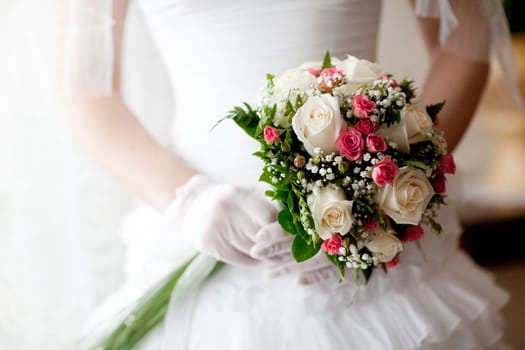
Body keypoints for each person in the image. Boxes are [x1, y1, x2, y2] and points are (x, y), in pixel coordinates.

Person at [61, 0, 514, 348]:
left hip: (375, 248)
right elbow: (86, 90)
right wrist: (189, 200)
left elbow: (466, 41)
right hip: (199, 236)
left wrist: (381, 197)